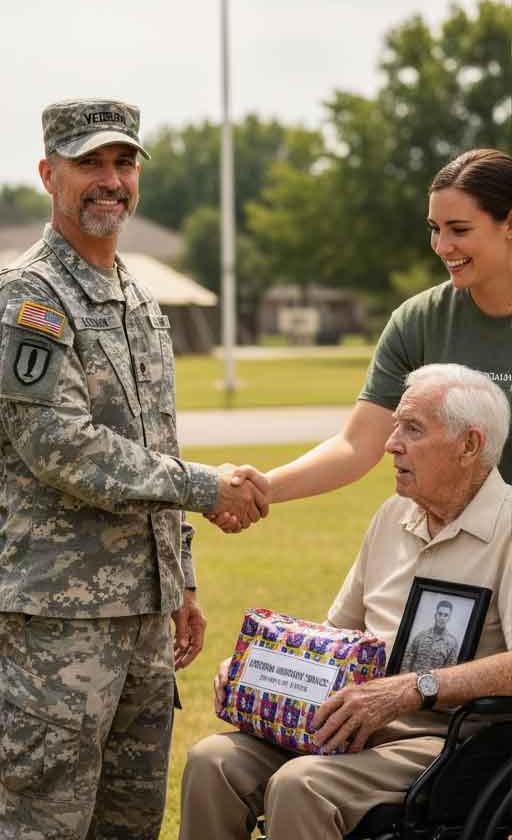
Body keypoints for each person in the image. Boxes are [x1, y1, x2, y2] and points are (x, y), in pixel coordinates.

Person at [0, 97, 269, 840]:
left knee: (131, 820)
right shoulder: (30, 299)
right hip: (58, 621)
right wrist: (205, 488)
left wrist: (178, 577)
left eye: (123, 163)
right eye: (90, 163)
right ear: (49, 174)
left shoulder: (140, 300)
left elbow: (157, 440)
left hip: (143, 619)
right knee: (41, 821)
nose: (110, 180)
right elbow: (60, 445)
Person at [180, 364, 512, 840]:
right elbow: (335, 635)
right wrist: (259, 672)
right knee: (213, 761)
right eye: (395, 425)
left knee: (302, 785)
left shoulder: (507, 527)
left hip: (446, 738)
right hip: (350, 719)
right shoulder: (393, 515)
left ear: (470, 445)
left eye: (412, 429)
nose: (390, 443)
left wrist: (410, 689)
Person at [221, 147, 512, 514]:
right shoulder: (417, 322)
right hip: (451, 548)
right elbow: (357, 445)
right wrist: (265, 488)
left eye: (459, 229)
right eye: (435, 229)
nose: (442, 246)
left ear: (510, 224)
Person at [401, 599, 459, 673]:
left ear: (449, 618)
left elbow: (450, 670)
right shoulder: (421, 636)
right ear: (435, 615)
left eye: (445, 615)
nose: (442, 618)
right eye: (440, 614)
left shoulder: (452, 643)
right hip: (412, 680)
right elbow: (407, 660)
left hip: (434, 683)